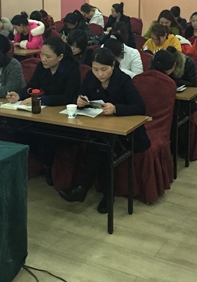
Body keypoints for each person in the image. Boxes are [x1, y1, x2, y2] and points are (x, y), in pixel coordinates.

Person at [58, 48, 150, 213]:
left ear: (113, 65)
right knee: (98, 146)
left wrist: (116, 109)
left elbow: (140, 107)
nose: (99, 74)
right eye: (95, 69)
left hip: (125, 133)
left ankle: (90, 191)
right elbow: (79, 95)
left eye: (104, 69)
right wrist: (80, 101)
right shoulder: (90, 77)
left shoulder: (123, 80)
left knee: (102, 149)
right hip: (99, 128)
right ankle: (99, 193)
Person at [6, 37, 81, 183]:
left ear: (60, 57)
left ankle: (48, 167)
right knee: (19, 129)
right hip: (46, 112)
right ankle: (32, 166)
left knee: (46, 137)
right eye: (41, 55)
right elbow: (32, 85)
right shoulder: (41, 67)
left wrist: (40, 100)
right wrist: (19, 95)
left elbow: (68, 97)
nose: (43, 59)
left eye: (48, 56)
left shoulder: (71, 69)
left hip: (64, 114)